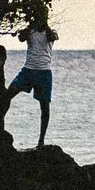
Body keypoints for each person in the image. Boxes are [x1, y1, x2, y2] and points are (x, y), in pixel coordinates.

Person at [6, 11, 59, 147]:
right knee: (7, 95)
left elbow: (53, 37)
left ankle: (41, 140)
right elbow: (21, 38)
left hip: (44, 73)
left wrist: (45, 25)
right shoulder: (29, 32)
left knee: (45, 108)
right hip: (28, 70)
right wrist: (30, 26)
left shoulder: (50, 33)